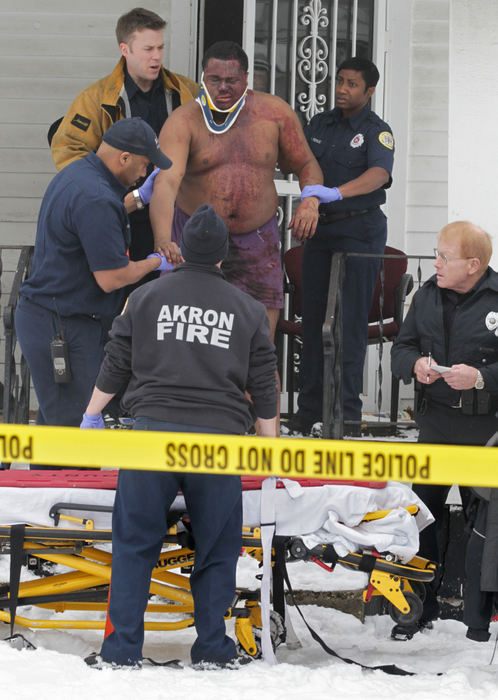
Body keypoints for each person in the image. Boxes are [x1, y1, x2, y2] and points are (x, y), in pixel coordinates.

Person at [80, 204, 278, 670]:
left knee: (133, 546)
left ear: (182, 250)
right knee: (216, 550)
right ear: (223, 256)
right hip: (219, 444)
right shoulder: (248, 309)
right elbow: (265, 387)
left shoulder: (145, 298)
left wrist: (91, 414)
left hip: (152, 438)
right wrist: (271, 448)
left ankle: (121, 650)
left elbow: (116, 363)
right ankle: (211, 648)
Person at [15, 117, 173, 466]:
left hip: (51, 315)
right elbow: (112, 278)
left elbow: (100, 213)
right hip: (63, 326)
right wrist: (154, 263)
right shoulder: (96, 197)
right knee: (76, 431)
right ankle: (64, 511)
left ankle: (45, 505)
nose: (145, 174)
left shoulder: (77, 176)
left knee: (57, 425)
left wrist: (137, 201)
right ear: (125, 157)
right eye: (145, 165)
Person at [149, 40, 323, 344]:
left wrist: (310, 201)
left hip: (257, 238)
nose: (223, 88)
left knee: (257, 341)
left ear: (247, 78)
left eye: (232, 80)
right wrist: (163, 239)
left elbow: (307, 163)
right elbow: (165, 184)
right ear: (203, 77)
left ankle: (255, 391)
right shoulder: (184, 120)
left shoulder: (274, 113)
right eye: (215, 80)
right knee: (185, 331)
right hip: (194, 238)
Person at [391, 221, 498, 639]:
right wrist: (415, 365)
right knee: (423, 517)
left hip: (483, 427)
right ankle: (418, 607)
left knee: (485, 522)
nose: (435, 262)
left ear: (473, 264)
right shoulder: (426, 296)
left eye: (444, 257)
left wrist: (481, 378)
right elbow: (402, 347)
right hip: (434, 423)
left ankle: (481, 616)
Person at [287, 56, 394, 436]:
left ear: (369, 91)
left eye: (352, 84)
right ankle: (309, 410)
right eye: (340, 81)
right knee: (313, 323)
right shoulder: (320, 123)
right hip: (322, 231)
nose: (342, 90)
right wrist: (310, 200)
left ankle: (346, 414)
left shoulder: (377, 131)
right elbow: (303, 164)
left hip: (359, 231)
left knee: (348, 325)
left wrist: (334, 193)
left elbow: (379, 175)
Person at [50, 7, 197, 272]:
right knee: (128, 294)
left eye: (160, 48)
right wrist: (108, 199)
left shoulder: (186, 92)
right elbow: (68, 151)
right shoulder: (96, 99)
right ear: (125, 49)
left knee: (177, 297)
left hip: (180, 212)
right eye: (148, 49)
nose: (157, 57)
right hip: (127, 214)